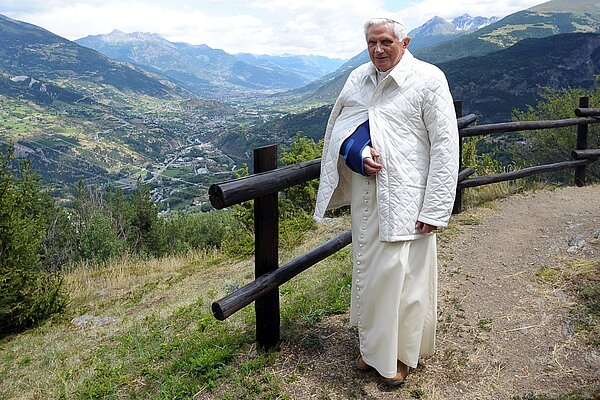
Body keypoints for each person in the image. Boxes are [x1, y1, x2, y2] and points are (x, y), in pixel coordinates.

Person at [313, 16, 459, 386]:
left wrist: (437, 206)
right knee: (371, 276)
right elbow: (339, 130)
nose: (378, 50)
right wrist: (357, 152)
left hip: (410, 198)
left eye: (386, 42)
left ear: (404, 42)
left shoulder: (428, 79)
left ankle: (398, 356)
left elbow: (445, 146)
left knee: (404, 280)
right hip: (368, 198)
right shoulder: (358, 78)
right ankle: (372, 349)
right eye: (372, 43)